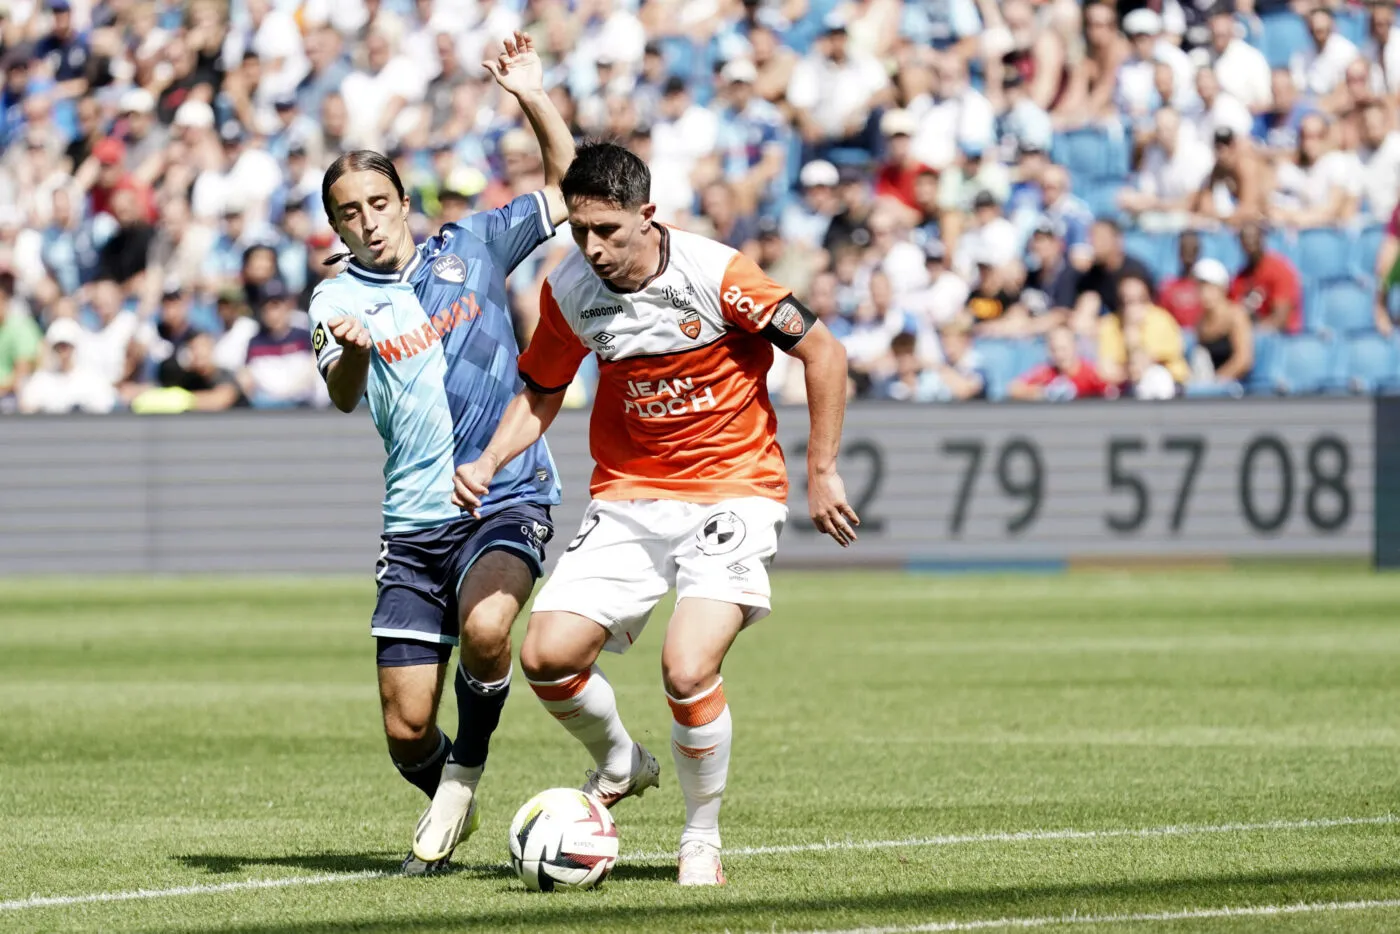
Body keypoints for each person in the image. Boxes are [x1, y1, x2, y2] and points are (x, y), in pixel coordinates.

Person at [453, 141, 859, 886]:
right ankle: (620, 763)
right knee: (544, 656)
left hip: (732, 489)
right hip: (630, 495)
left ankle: (700, 835)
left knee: (686, 665)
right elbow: (542, 390)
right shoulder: (570, 287)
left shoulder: (718, 274)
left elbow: (823, 352)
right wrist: (486, 462)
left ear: (648, 215)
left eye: (608, 230)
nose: (594, 248)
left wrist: (822, 470)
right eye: (580, 231)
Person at [305, 33, 573, 876]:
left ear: (404, 201)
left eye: (378, 204)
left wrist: (530, 93)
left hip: (504, 493)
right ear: (336, 224)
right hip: (414, 522)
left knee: (491, 630)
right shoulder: (334, 298)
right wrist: (349, 349)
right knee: (404, 727)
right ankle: (446, 783)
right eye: (349, 213)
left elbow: (569, 184)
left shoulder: (476, 245)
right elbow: (346, 394)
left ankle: (464, 779)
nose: (367, 222)